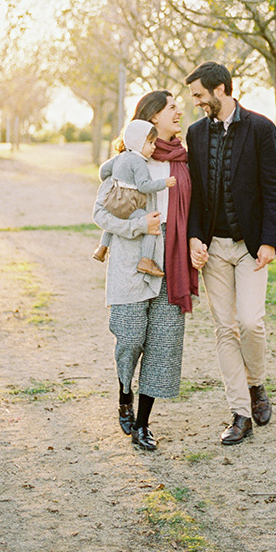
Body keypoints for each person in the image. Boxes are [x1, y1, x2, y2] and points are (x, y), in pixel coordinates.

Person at [93, 90, 198, 451]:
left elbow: (194, 210)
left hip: (172, 261)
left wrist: (194, 242)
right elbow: (101, 214)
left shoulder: (183, 162)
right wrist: (138, 227)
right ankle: (125, 390)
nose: (179, 111)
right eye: (172, 107)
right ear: (152, 117)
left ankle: (142, 424)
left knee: (162, 345)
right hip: (131, 260)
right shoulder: (125, 161)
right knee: (131, 336)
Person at [185, 62, 276, 445]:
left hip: (249, 248)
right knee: (224, 329)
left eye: (199, 95)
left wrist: (269, 241)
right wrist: (195, 237)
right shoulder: (195, 134)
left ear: (221, 89)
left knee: (250, 322)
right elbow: (192, 195)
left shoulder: (261, 129)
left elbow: (273, 189)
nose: (196, 103)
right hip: (212, 250)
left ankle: (256, 384)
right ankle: (240, 412)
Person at [92, 120, 176, 278]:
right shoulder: (139, 162)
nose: (154, 147)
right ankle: (146, 260)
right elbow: (144, 186)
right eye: (150, 143)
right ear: (139, 143)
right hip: (129, 203)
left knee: (115, 214)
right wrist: (164, 183)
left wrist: (115, 180)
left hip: (114, 198)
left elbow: (103, 171)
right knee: (152, 225)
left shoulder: (120, 157)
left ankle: (102, 248)